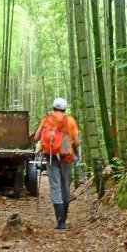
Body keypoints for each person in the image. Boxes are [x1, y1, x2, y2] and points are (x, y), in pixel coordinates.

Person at [33, 97, 80, 230]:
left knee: (55, 186)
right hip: (67, 157)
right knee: (65, 186)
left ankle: (60, 223)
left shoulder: (47, 120)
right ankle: (64, 218)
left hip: (51, 157)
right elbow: (77, 142)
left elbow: (36, 138)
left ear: (53, 107)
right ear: (65, 109)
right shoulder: (70, 121)